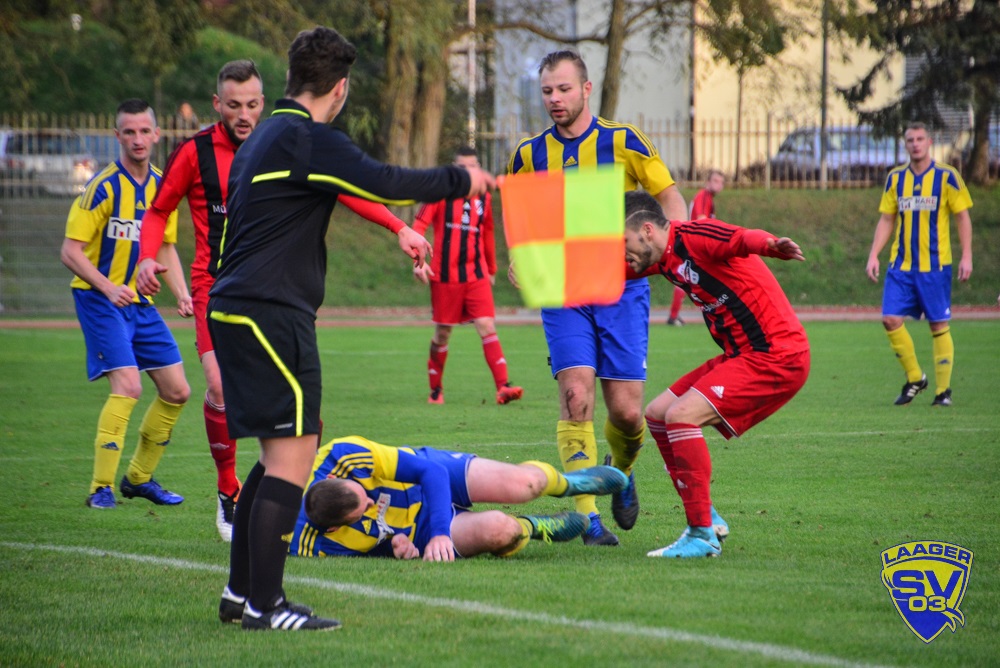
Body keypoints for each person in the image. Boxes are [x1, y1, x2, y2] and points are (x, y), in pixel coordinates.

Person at [207, 26, 494, 632]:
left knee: (275, 455)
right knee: (293, 455)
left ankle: (240, 595)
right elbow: (384, 179)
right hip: (270, 313)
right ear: (339, 90)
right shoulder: (306, 138)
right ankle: (267, 606)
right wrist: (461, 179)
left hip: (236, 309)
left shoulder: (264, 139)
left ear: (289, 80)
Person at [136, 60, 413, 543]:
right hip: (215, 288)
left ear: (263, 103)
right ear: (217, 104)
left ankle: (290, 493)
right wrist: (145, 258)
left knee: (296, 410)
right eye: (233, 104)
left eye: (252, 104)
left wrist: (399, 227)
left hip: (275, 294)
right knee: (220, 387)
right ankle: (229, 491)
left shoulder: (285, 143)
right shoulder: (195, 152)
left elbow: (346, 190)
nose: (243, 114)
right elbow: (160, 209)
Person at [507, 50, 687, 547]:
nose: (554, 100)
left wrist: (669, 246)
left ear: (586, 90)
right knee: (577, 397)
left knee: (627, 413)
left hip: (622, 289)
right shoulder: (529, 153)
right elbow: (519, 210)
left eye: (563, 89)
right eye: (546, 91)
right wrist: (519, 253)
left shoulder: (623, 141)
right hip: (563, 289)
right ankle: (588, 520)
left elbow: (669, 197)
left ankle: (620, 474)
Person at [622, 190, 810, 558]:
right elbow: (606, 271)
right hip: (743, 354)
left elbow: (740, 239)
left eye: (623, 241)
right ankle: (705, 513)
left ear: (647, 231)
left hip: (777, 353)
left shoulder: (694, 236)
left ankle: (701, 534)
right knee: (658, 414)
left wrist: (772, 245)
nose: (622, 251)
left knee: (681, 416)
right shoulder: (661, 258)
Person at [60, 98, 191, 510]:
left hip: (140, 303)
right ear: (117, 137)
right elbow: (70, 250)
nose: (137, 139)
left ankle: (139, 478)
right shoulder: (102, 186)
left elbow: (166, 246)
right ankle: (101, 487)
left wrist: (183, 293)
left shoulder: (160, 186)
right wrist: (107, 286)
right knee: (129, 385)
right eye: (128, 132)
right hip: (100, 300)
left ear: (156, 135)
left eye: (144, 131)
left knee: (177, 390)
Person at [284, 435, 629, 562]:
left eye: (366, 495)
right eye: (363, 511)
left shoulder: (342, 456)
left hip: (427, 475)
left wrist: (439, 533)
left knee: (526, 484)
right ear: (333, 530)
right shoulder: (313, 544)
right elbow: (373, 549)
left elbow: (429, 473)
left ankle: (568, 483)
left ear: (333, 479)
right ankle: (535, 527)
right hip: (418, 531)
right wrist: (395, 548)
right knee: (500, 530)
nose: (373, 503)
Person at [865, 121, 973, 407]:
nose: (915, 143)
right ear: (905, 144)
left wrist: (967, 255)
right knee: (890, 319)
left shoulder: (947, 177)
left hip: (935, 266)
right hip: (901, 266)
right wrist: (874, 253)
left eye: (920, 139)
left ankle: (943, 392)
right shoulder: (895, 179)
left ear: (929, 142)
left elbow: (962, 216)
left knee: (938, 324)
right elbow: (887, 218)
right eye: (910, 139)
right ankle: (915, 377)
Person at [412, 146, 522, 406]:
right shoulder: (440, 193)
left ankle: (503, 388)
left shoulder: (482, 195)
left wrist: (492, 269)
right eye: (461, 167)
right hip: (445, 276)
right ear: (453, 169)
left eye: (471, 166)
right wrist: (417, 260)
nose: (467, 172)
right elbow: (418, 226)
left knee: (486, 325)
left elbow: (487, 233)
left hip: (476, 274)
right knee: (443, 334)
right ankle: (436, 390)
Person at [667, 169, 726, 326]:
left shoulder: (707, 198)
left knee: (687, 280)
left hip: (692, 244)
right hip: (695, 245)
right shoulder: (704, 196)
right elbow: (701, 220)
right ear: (708, 182)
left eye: (720, 182)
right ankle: (717, 314)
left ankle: (674, 316)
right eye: (715, 181)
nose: (718, 185)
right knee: (693, 279)